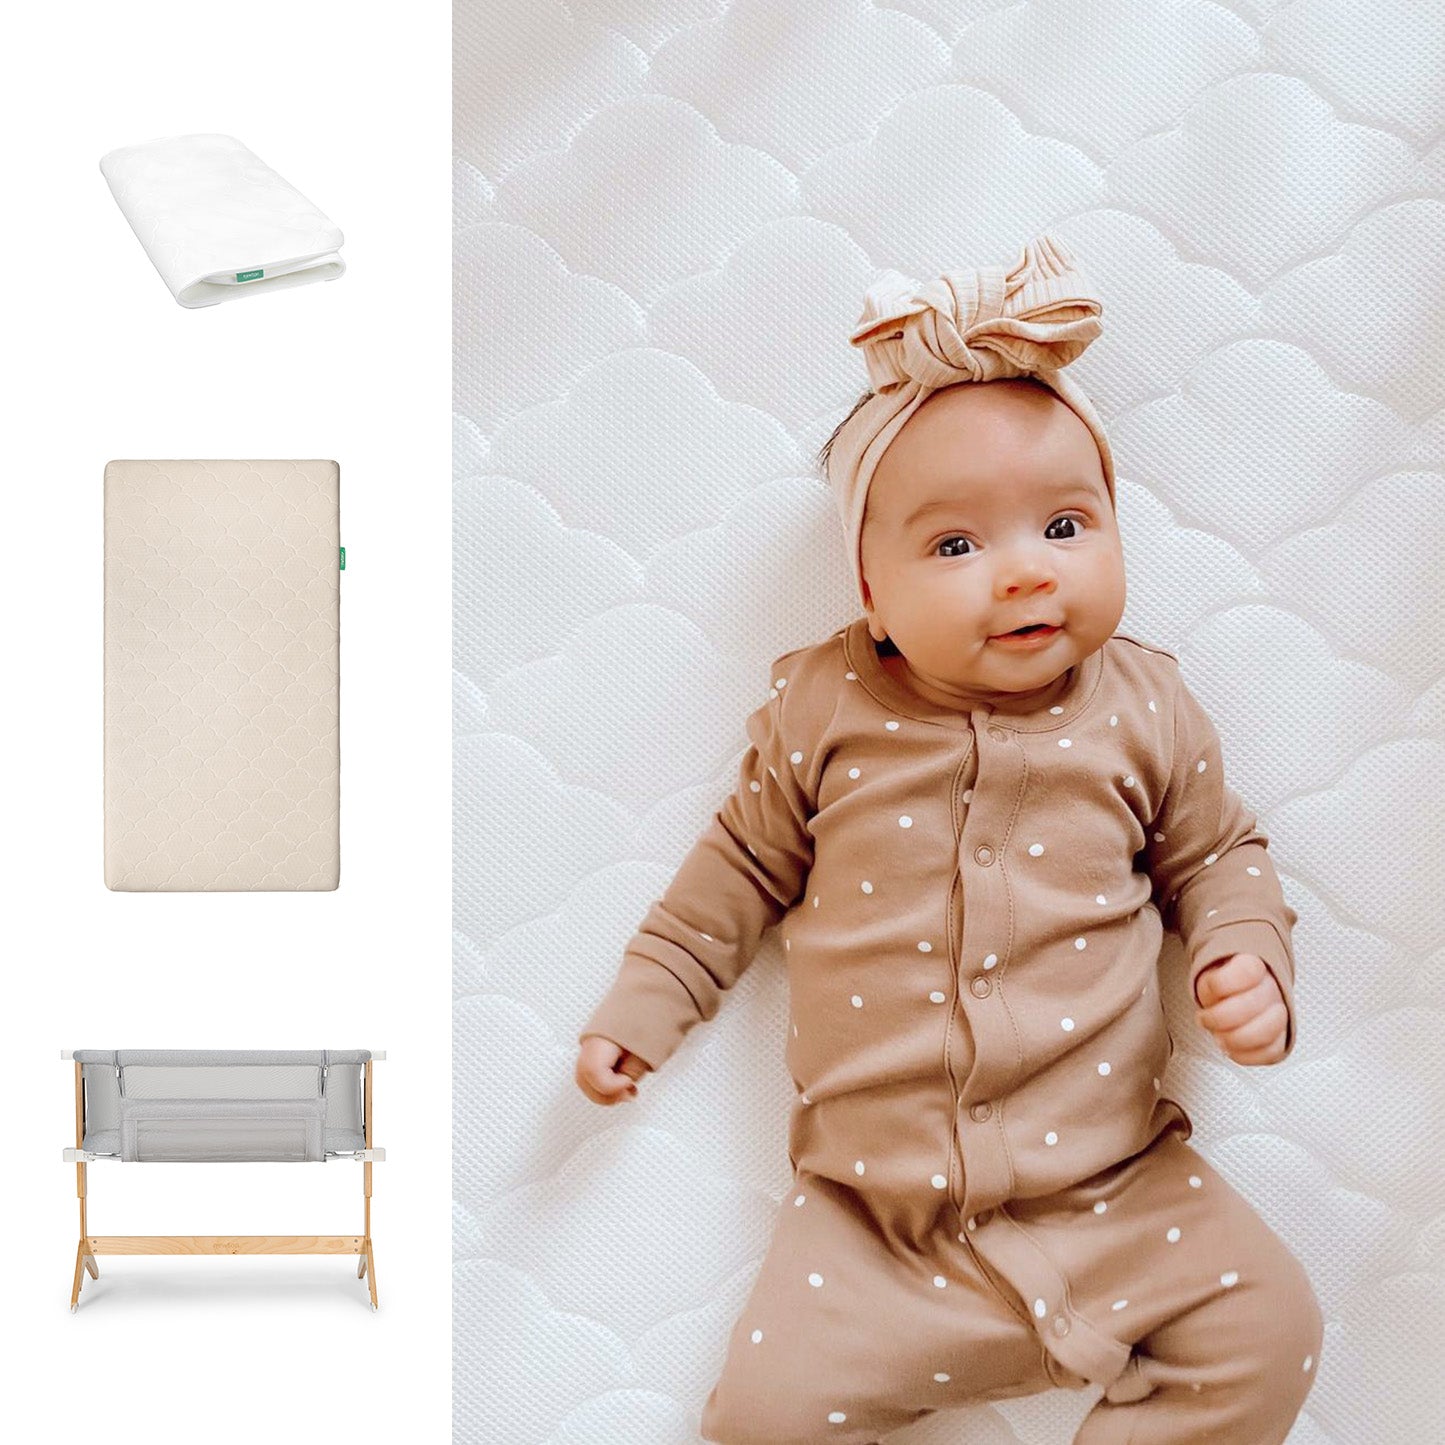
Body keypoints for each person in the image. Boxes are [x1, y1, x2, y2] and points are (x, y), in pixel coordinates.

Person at [575, 235, 1323, 1443]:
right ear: (867, 590)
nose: (1023, 574)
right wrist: (642, 1003)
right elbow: (736, 871)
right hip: (871, 1226)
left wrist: (1245, 956)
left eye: (1066, 524)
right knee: (763, 1418)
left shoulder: (1143, 707)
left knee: (1268, 1322)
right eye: (955, 545)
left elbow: (1218, 854)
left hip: (1116, 1188)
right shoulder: (825, 710)